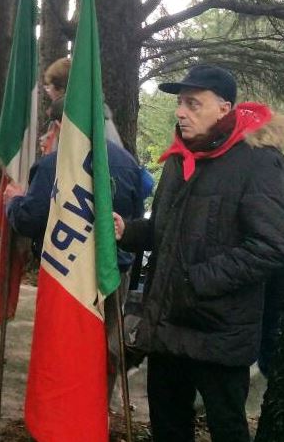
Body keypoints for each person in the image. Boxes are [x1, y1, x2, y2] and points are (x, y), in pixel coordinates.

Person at [113, 64, 284, 442]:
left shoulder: (258, 162)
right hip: (167, 329)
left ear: (224, 109)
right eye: (180, 103)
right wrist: (127, 231)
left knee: (227, 431)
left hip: (218, 335)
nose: (181, 112)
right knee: (168, 429)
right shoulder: (179, 158)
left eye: (193, 103)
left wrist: (196, 280)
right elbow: (166, 230)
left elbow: (271, 246)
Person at [3, 96, 145, 402]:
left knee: (64, 346)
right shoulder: (128, 163)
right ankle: (96, 413)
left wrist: (13, 201)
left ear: (59, 125)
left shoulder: (54, 164)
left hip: (65, 274)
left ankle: (62, 413)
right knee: (102, 346)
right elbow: (134, 223)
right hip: (111, 273)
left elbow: (30, 218)